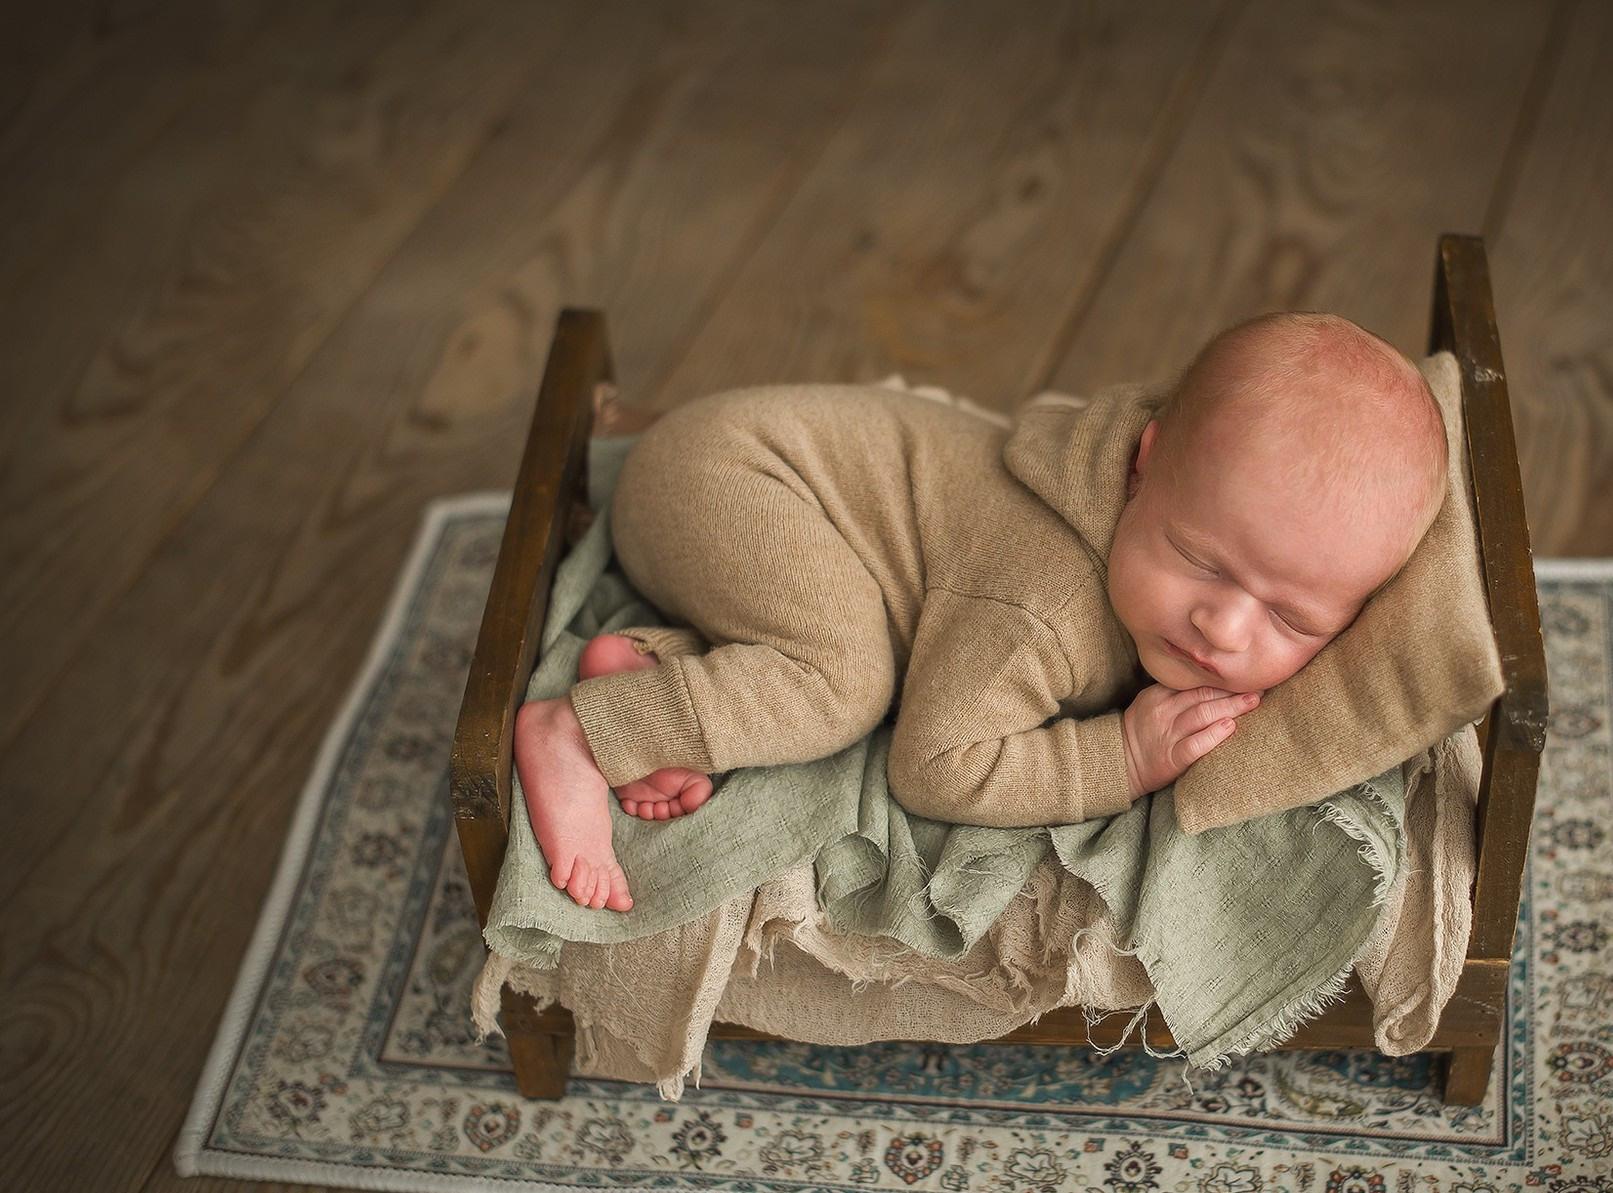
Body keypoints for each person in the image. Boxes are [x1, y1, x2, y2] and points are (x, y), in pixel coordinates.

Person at [514, 312, 1448, 912]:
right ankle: (584, 732)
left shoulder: (1167, 510)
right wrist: (1121, 756)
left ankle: (667, 671)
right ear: (1142, 464)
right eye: (1201, 560)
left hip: (769, 507)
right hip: (725, 477)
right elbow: (934, 765)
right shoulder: (1044, 604)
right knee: (844, 681)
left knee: (849, 618)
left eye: (1292, 620)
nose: (1225, 629)